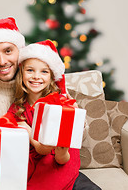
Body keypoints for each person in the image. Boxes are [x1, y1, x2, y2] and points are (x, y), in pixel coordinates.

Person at [0, 18, 101, 190]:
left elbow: (72, 142)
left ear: (20, 52)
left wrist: (73, 125)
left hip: (62, 166)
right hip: (21, 169)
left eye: (8, 51)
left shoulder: (55, 94)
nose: (2, 61)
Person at [7, 40, 80, 189]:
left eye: (44, 71)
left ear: (52, 76)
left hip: (61, 161)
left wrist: (62, 150)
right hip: (35, 162)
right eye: (30, 70)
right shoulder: (17, 109)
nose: (36, 76)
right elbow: (39, 148)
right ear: (21, 73)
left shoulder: (62, 105)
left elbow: (63, 159)